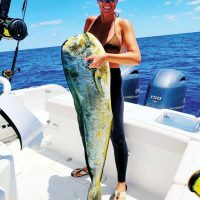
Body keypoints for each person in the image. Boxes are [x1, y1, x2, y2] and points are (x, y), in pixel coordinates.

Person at [71, 0, 141, 199]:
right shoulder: (90, 21)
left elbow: (136, 57)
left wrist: (105, 58)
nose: (107, 2)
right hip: (88, 83)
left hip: (111, 82)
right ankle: (92, 168)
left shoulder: (123, 25)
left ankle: (121, 182)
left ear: (117, 1)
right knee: (87, 128)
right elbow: (82, 51)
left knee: (116, 133)